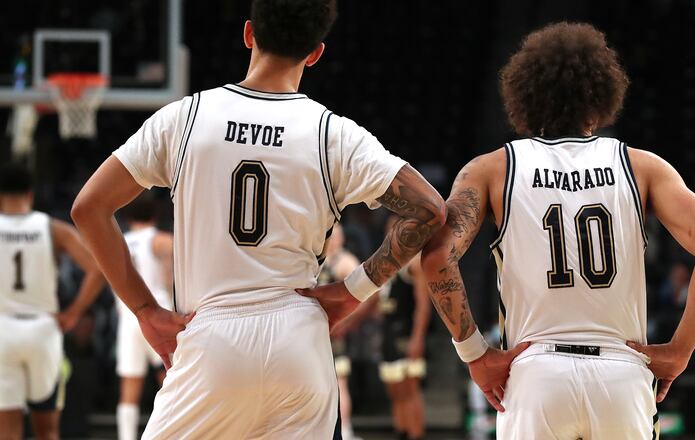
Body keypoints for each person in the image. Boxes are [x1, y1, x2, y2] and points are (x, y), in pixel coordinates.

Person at [70, 0, 445, 437]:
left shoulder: (186, 117)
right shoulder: (334, 133)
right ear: (316, 52)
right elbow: (431, 209)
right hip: (298, 336)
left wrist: (145, 310)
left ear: (249, 34)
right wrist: (351, 291)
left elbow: (88, 207)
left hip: (212, 337)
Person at [420, 22, 695, 438]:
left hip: (535, 373)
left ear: (524, 95)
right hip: (621, 373)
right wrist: (680, 350)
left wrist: (474, 352)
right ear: (602, 93)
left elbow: (437, 255)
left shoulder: (491, 169)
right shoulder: (642, 166)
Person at [0, 163, 105, 440]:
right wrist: (73, 313)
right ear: (30, 194)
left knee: (6, 429)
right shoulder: (52, 228)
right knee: (47, 430)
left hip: (2, 331)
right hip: (42, 330)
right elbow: (98, 269)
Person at [115, 194, 173, 440]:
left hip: (129, 316)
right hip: (160, 312)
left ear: (127, 218)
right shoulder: (161, 240)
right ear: (156, 216)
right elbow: (171, 280)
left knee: (130, 383)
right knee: (173, 378)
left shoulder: (117, 243)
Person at [377, 217, 431, 440]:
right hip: (388, 332)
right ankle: (401, 432)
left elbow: (423, 306)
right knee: (395, 392)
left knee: (410, 391)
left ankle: (416, 434)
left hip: (406, 333)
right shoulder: (386, 263)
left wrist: (418, 338)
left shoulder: (414, 263)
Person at [317, 223, 366, 440]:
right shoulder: (317, 259)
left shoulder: (345, 261)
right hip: (315, 333)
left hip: (334, 333)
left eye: (335, 235)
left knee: (339, 382)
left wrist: (347, 321)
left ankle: (345, 430)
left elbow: (370, 294)